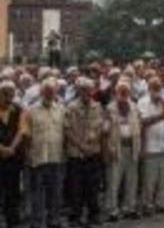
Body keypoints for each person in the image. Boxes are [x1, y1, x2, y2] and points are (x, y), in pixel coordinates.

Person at [24, 78, 65, 228]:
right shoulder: (31, 110)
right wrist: (28, 154)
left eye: (52, 92)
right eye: (47, 91)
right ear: (41, 92)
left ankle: (54, 220)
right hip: (37, 157)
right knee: (37, 193)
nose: (49, 94)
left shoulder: (61, 109)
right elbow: (26, 135)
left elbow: (64, 132)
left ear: (56, 93)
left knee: (55, 192)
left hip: (55, 156)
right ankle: (37, 221)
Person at [64, 77, 105, 227]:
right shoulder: (71, 107)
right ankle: (75, 217)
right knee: (76, 188)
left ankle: (93, 216)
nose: (86, 93)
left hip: (93, 153)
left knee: (92, 187)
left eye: (89, 90)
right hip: (76, 154)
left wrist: (91, 145)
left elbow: (101, 128)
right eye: (83, 90)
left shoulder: (98, 107)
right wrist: (82, 146)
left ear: (93, 91)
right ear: (79, 91)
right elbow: (67, 131)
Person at [104, 80, 141, 222]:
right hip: (116, 148)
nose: (124, 94)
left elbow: (140, 126)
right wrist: (107, 150)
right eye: (121, 91)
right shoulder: (110, 108)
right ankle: (112, 210)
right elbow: (105, 132)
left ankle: (129, 208)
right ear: (116, 93)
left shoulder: (134, 107)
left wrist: (141, 147)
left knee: (132, 180)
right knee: (114, 181)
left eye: (126, 91)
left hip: (133, 148)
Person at [138, 76, 164, 216]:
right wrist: (161, 116)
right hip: (150, 147)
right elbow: (144, 121)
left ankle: (161, 203)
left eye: (159, 87)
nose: (157, 90)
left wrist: (163, 101)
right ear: (149, 88)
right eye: (154, 87)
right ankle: (148, 204)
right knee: (149, 180)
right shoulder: (143, 101)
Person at [0, 80, 26, 228]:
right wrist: (2, 149)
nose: (8, 97)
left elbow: (21, 130)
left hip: (13, 157)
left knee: (13, 190)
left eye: (11, 94)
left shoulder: (18, 109)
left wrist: (11, 148)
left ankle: (12, 221)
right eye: (5, 94)